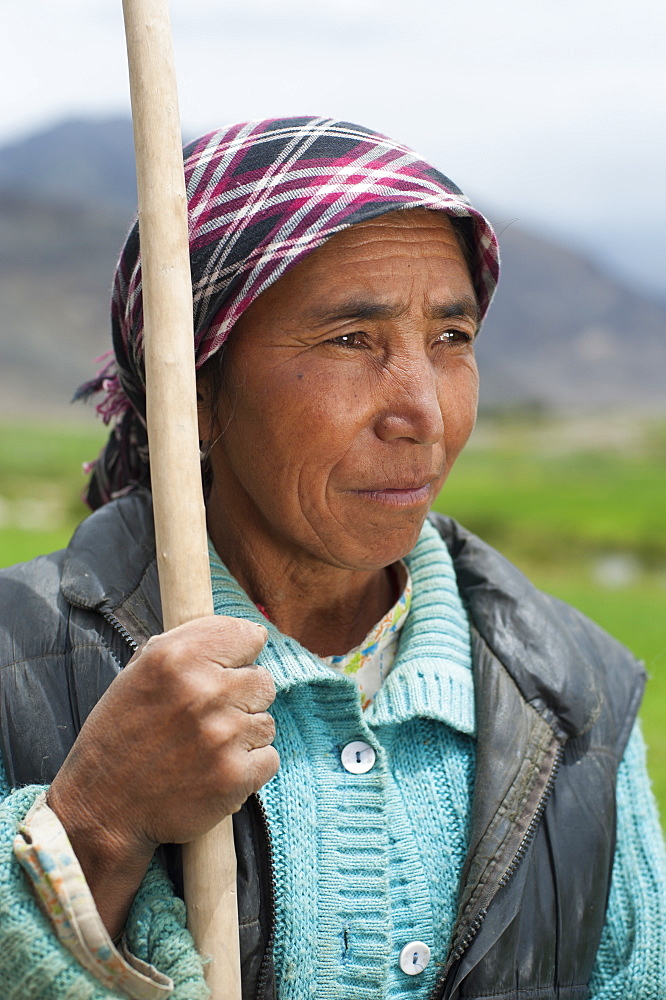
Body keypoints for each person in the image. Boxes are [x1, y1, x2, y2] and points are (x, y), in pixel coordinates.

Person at [0, 116, 664, 1000]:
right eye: (354, 340)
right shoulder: (19, 666)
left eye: (452, 339)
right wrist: (98, 823)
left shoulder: (575, 694)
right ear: (193, 391)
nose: (422, 411)